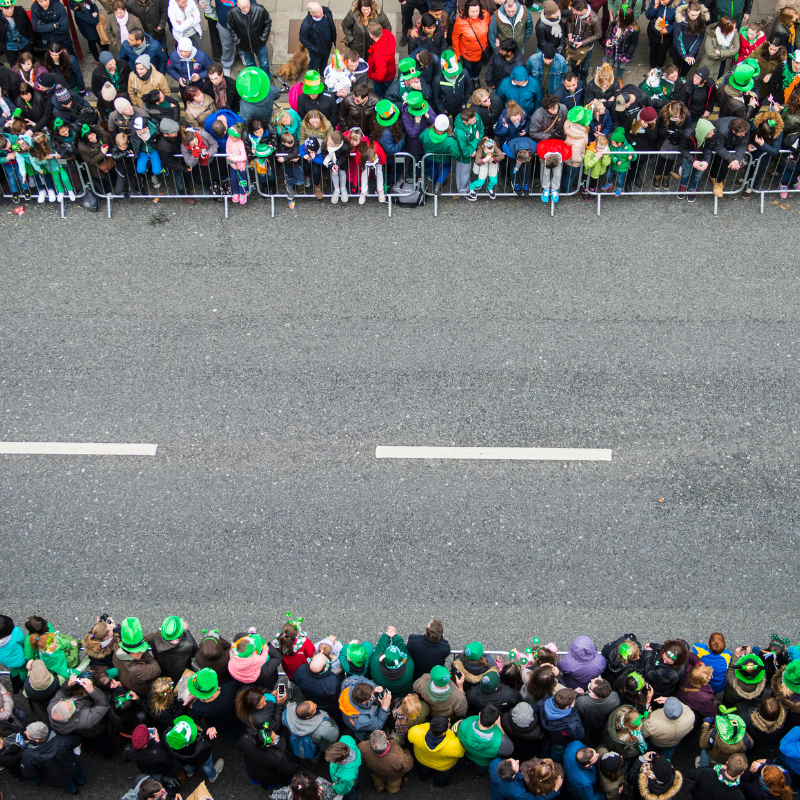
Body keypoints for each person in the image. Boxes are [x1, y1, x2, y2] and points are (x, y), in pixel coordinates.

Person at [47, 675, 112, 757]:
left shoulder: (52, 707)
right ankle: (106, 754)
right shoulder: (84, 720)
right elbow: (104, 706)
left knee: (85, 740)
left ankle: (89, 751)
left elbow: (62, 694)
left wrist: (68, 685)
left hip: (81, 732)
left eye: (64, 701)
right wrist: (92, 690)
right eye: (69, 704)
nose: (68, 701)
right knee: (102, 741)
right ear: (70, 715)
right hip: (96, 729)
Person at [19, 720, 85, 794]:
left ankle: (74, 791)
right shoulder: (62, 738)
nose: (25, 732)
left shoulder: (28, 754)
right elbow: (76, 741)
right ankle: (81, 781)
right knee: (77, 771)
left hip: (54, 775)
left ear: (37, 740)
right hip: (70, 763)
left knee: (65, 783)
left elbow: (29, 772)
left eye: (28, 735)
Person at [454, 702, 514, 775]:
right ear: (495, 722)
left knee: (468, 760)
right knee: (479, 772)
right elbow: (509, 750)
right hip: (483, 762)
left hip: (468, 753)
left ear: (479, 714)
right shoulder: (501, 743)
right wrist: (500, 727)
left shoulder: (463, 724)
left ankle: (468, 762)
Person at [407, 714, 465, 786]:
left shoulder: (416, 731)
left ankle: (423, 778)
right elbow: (460, 754)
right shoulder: (454, 744)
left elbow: (409, 736)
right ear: (443, 732)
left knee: (423, 774)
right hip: (442, 767)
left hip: (422, 760)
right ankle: (438, 784)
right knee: (440, 781)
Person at [165, 715, 224, 782]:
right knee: (207, 766)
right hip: (203, 758)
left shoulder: (169, 739)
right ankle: (212, 776)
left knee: (187, 766)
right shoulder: (201, 745)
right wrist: (209, 731)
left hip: (184, 760)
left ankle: (189, 773)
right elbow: (210, 743)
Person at [237, 723, 298, 789]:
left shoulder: (245, 739)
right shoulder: (278, 757)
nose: (277, 736)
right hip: (269, 778)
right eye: (274, 739)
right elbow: (287, 771)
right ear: (267, 745)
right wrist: (295, 766)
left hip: (253, 772)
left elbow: (239, 748)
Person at [112, 617, 163, 696]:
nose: (142, 651)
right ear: (132, 653)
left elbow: (140, 641)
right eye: (140, 650)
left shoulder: (118, 648)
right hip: (143, 691)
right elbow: (156, 669)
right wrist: (145, 652)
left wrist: (156, 636)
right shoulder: (137, 670)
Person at [358, 729, 413, 793]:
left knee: (378, 782)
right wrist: (406, 751)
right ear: (387, 742)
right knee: (393, 786)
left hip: (376, 773)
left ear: (370, 745)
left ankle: (379, 789)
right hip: (393, 777)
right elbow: (409, 766)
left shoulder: (362, 747)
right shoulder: (400, 757)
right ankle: (391, 792)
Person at [338, 674, 392, 740]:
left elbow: (361, 679)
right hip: (361, 729)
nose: (374, 697)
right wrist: (384, 708)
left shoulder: (348, 682)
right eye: (372, 697)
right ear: (364, 702)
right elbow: (378, 725)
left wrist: (374, 687)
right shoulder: (363, 720)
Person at [452, 0, 491, 90]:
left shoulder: (485, 15)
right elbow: (455, 38)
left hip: (481, 50)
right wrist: (457, 53)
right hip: (467, 52)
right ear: (467, 10)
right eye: (472, 12)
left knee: (478, 67)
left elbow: (491, 27)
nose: (475, 14)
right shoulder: (460, 21)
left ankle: (475, 79)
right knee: (467, 68)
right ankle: (468, 81)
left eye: (477, 11)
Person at [368, 626, 416, 697]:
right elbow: (404, 650)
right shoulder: (409, 666)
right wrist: (395, 636)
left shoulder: (375, 664)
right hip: (404, 694)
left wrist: (386, 636)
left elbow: (379, 648)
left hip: (383, 695)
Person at [227, 0, 271, 74]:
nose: (246, 9)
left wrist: (263, 38)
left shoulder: (260, 9)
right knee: (250, 65)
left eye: (247, 6)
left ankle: (266, 77)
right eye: (243, 8)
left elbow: (267, 23)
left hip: (259, 43)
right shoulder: (232, 13)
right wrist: (237, 41)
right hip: (244, 45)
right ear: (237, 5)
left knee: (264, 63)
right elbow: (230, 28)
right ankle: (254, 78)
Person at [575, 677, 620, 744]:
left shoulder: (581, 701)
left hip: (587, 724)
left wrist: (576, 693)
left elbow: (578, 716)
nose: (591, 680)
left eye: (590, 686)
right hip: (603, 723)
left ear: (594, 694)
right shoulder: (615, 697)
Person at [566, 0, 602, 81]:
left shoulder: (594, 19)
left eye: (575, 11)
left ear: (584, 10)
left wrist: (583, 42)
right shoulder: (573, 11)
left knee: (585, 67)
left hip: (587, 47)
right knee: (574, 65)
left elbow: (598, 34)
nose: (573, 12)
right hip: (574, 44)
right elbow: (569, 21)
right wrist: (570, 33)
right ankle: (574, 79)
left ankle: (582, 81)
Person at [672, 2, 710, 77]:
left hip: (692, 50)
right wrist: (684, 55)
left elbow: (699, 38)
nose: (695, 17)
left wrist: (691, 53)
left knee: (688, 66)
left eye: (697, 15)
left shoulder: (701, 19)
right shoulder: (680, 21)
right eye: (693, 15)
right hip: (679, 49)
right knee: (676, 66)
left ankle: (683, 77)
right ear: (688, 11)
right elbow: (678, 39)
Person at [604, 8, 641, 80]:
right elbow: (610, 29)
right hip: (612, 48)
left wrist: (627, 56)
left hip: (623, 52)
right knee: (609, 64)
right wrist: (608, 39)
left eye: (619, 15)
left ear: (624, 18)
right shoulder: (617, 20)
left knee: (621, 66)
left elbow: (633, 45)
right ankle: (609, 77)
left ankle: (619, 77)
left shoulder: (634, 31)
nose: (617, 15)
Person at [432, 50, 472, 116]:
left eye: (456, 73)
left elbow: (468, 86)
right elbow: (435, 97)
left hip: (459, 107)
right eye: (452, 74)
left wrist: (465, 100)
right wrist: (441, 110)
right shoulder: (437, 80)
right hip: (446, 108)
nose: (455, 76)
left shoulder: (464, 73)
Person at [300, 2, 336, 74]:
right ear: (312, 14)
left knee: (324, 63)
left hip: (327, 46)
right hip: (317, 52)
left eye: (321, 9)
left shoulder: (326, 12)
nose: (322, 13)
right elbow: (303, 39)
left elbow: (331, 26)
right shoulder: (306, 25)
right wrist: (314, 49)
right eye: (318, 12)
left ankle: (323, 74)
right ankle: (313, 78)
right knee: (314, 66)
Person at [645, 0, 681, 69]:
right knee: (653, 51)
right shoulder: (656, 1)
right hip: (654, 31)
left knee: (661, 54)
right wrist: (655, 7)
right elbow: (648, 16)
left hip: (667, 35)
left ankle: (659, 67)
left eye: (664, 0)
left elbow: (678, 21)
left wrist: (668, 30)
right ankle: (653, 68)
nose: (661, 3)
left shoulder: (679, 4)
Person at [601, 125, 636, 195]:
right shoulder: (612, 147)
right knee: (607, 175)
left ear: (619, 143)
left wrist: (632, 156)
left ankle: (620, 187)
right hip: (613, 165)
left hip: (622, 167)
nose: (611, 144)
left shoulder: (628, 146)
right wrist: (616, 160)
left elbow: (634, 154)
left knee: (620, 180)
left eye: (613, 143)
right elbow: (611, 155)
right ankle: (610, 183)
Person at [326, 736, 362, 800]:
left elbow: (343, 789)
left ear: (343, 760)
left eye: (332, 761)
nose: (327, 760)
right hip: (354, 773)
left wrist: (335, 787)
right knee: (357, 779)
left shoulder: (346, 776)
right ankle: (358, 788)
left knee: (350, 793)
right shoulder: (345, 738)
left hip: (347, 781)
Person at [367, 21, 396, 97]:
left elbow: (380, 77)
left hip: (383, 81)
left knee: (383, 95)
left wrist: (370, 74)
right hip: (390, 72)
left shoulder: (379, 57)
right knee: (377, 92)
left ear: (372, 36)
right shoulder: (387, 33)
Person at [0, 2, 34, 69]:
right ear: (1, 7)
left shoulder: (19, 10)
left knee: (29, 65)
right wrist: (4, 48)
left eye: (11, 7)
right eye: (6, 8)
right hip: (9, 46)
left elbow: (28, 24)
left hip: (24, 42)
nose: (10, 10)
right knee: (15, 68)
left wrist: (31, 39)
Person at [322, 130, 350, 202]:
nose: (328, 143)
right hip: (331, 161)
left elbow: (345, 156)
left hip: (342, 162)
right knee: (334, 174)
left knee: (342, 173)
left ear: (337, 144)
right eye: (328, 141)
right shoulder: (325, 143)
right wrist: (331, 164)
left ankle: (343, 188)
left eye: (330, 143)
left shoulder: (345, 147)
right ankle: (336, 189)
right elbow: (323, 154)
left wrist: (337, 163)